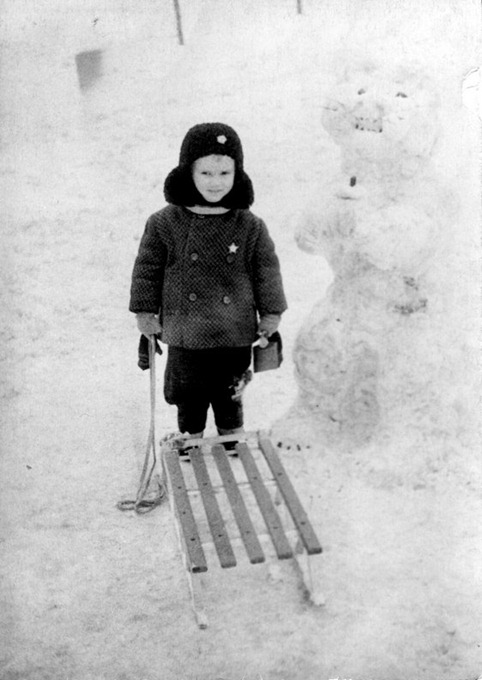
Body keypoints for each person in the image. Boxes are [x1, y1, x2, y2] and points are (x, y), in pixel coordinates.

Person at [129, 122, 287, 448]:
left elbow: (266, 272)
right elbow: (147, 269)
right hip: (185, 331)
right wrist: (144, 311)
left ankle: (231, 437)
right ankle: (191, 437)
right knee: (188, 392)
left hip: (235, 330)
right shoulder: (164, 223)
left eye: (224, 174)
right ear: (188, 172)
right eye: (206, 174)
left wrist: (271, 314)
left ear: (237, 173)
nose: (216, 183)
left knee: (231, 390)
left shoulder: (249, 225)